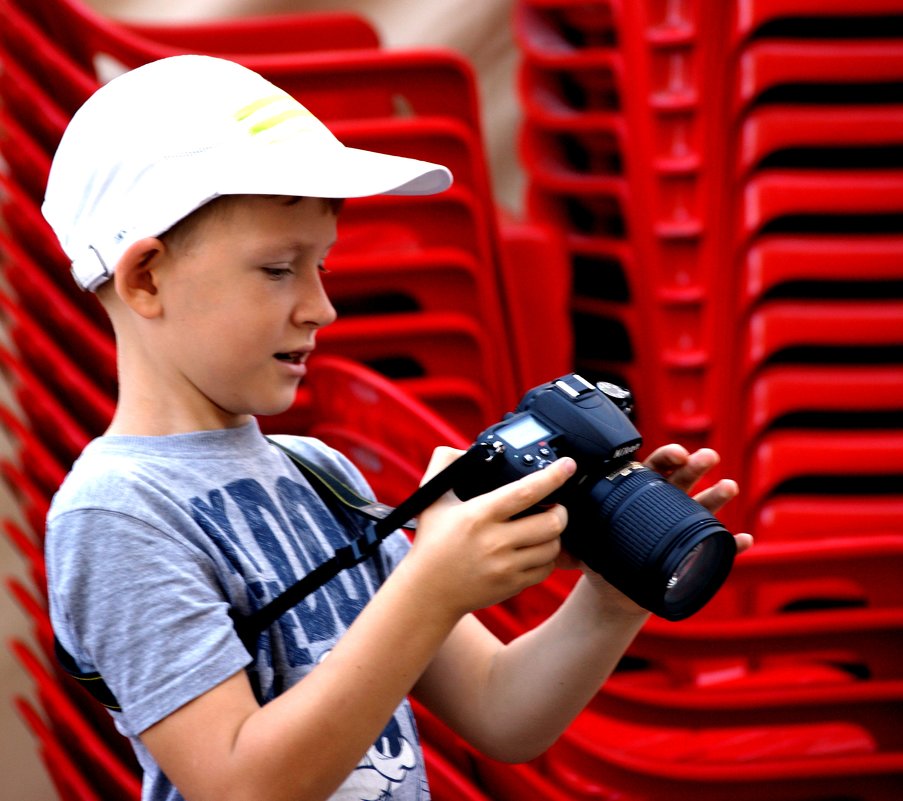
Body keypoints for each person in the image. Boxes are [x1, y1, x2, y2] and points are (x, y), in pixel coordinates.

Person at [42, 55, 752, 801]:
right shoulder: (117, 513)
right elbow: (238, 785)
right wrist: (429, 586)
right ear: (145, 278)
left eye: (323, 265)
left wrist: (614, 593)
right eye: (279, 268)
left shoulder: (319, 475)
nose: (321, 306)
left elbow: (504, 711)